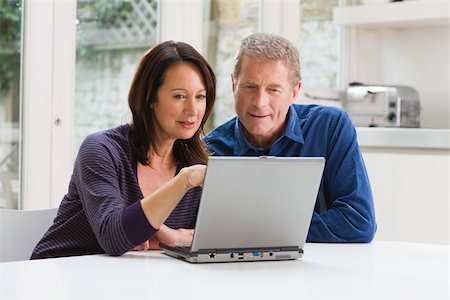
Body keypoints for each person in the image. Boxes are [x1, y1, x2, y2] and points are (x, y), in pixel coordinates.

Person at [31, 41, 216, 259]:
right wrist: (182, 183)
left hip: (128, 282)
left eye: (200, 97)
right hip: (57, 278)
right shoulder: (101, 150)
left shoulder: (195, 164)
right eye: (179, 96)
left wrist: (168, 236)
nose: (193, 110)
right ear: (150, 98)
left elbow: (216, 238)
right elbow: (114, 236)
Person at [204, 33, 376, 242]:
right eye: (250, 87)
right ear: (233, 85)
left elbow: (358, 222)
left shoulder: (330, 128)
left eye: (273, 89)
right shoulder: (211, 150)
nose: (260, 102)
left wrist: (254, 228)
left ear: (294, 92)